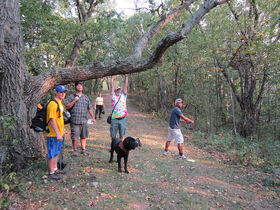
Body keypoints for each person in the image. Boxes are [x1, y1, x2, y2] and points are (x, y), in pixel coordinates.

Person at [65, 82, 96, 156]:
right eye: (78, 85)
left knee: (84, 135)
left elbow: (90, 108)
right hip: (75, 120)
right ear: (75, 87)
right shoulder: (72, 96)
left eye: (81, 85)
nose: (79, 86)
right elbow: (67, 106)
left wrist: (93, 117)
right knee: (74, 136)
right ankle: (75, 150)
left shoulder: (85, 97)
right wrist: (74, 101)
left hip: (84, 120)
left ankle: (83, 149)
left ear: (82, 87)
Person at [46, 85, 67, 180]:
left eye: (64, 92)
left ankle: (55, 169)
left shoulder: (60, 104)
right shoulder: (53, 104)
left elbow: (60, 118)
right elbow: (52, 120)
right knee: (51, 153)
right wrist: (58, 133)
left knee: (57, 152)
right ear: (56, 92)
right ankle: (51, 173)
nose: (62, 94)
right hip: (52, 134)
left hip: (58, 133)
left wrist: (62, 130)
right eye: (60, 92)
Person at [110, 74, 128, 142]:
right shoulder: (113, 97)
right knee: (113, 135)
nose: (118, 91)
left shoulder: (123, 96)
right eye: (117, 90)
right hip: (114, 119)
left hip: (122, 119)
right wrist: (112, 79)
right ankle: (113, 147)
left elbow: (126, 87)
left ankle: (121, 147)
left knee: (122, 135)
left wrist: (126, 77)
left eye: (119, 90)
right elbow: (111, 87)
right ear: (115, 91)